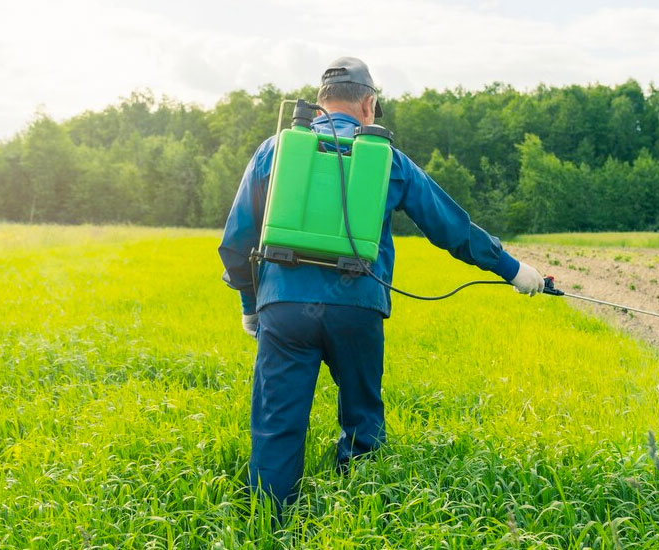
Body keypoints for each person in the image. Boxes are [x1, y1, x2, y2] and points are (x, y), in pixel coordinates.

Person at [218, 56, 545, 512]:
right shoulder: (388, 158)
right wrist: (512, 269)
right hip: (358, 307)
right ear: (369, 105)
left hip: (284, 308)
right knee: (362, 419)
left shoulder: (276, 148)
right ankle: (360, 518)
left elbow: (236, 241)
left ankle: (270, 523)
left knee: (276, 425)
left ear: (318, 104)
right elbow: (451, 227)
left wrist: (252, 305)